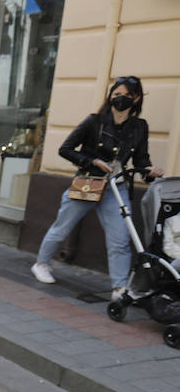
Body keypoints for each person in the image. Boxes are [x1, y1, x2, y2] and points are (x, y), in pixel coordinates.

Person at [31, 76, 164, 295]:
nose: (120, 99)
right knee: (62, 227)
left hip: (116, 189)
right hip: (88, 183)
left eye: (127, 96)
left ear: (137, 98)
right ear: (111, 95)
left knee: (120, 239)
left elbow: (141, 160)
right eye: (117, 94)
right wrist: (91, 161)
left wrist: (150, 172)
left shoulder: (139, 127)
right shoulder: (94, 121)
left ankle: (120, 286)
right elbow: (66, 149)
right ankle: (41, 263)